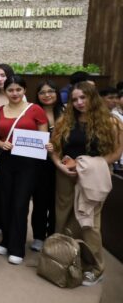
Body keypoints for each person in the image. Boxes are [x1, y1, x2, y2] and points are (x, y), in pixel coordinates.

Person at [51, 82, 123, 286]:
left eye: (83, 97)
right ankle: (63, 259)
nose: (79, 102)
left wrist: (86, 166)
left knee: (89, 223)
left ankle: (96, 267)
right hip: (66, 175)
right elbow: (55, 149)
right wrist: (60, 165)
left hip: (95, 176)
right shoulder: (65, 120)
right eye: (74, 99)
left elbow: (116, 152)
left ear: (93, 97)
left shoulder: (112, 122)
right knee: (63, 218)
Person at [0, 75, 49, 265]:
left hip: (29, 163)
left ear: (24, 90)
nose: (14, 93)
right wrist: (1, 143)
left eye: (18, 89)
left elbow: (44, 136)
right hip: (6, 161)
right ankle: (6, 240)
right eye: (10, 90)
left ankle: (17, 247)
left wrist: (47, 145)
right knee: (5, 201)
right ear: (5, 91)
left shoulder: (35, 109)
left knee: (20, 204)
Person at [29, 80, 64, 251]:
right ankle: (38, 236)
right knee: (40, 201)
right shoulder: (32, 112)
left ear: (57, 93)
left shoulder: (67, 113)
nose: (47, 95)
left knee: (57, 202)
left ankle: (53, 235)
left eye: (51, 91)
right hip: (39, 164)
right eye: (42, 92)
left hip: (61, 164)